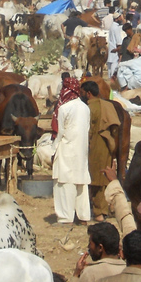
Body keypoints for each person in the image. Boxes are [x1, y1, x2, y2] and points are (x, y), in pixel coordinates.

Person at [52, 77, 91, 225]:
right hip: (81, 150)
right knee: (81, 183)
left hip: (66, 149)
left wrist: (53, 149)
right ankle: (83, 217)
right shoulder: (85, 108)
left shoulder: (64, 108)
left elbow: (60, 132)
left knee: (64, 184)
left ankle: (65, 218)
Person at [82, 81, 120, 220]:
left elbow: (88, 130)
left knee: (95, 178)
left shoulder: (88, 108)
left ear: (88, 93)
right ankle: (106, 208)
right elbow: (115, 128)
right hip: (107, 145)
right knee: (105, 177)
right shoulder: (108, 105)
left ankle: (99, 213)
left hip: (94, 146)